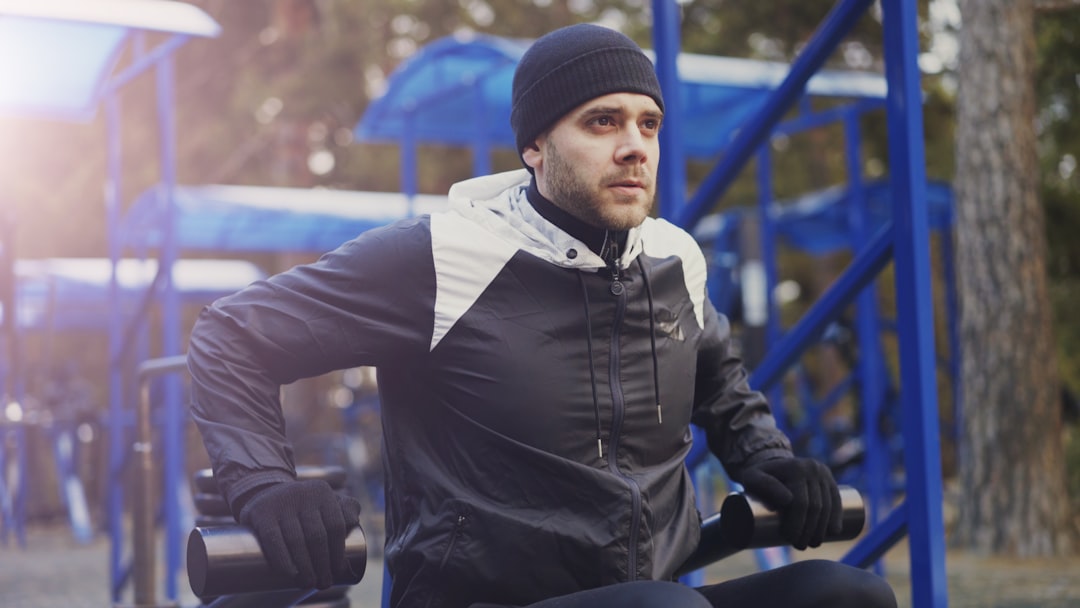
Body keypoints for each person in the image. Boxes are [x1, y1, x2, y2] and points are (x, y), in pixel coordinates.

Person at [188, 23, 897, 608]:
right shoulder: (445, 255)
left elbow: (718, 381)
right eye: (602, 121)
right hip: (483, 600)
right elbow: (231, 336)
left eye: (648, 123)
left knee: (848, 595)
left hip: (648, 593)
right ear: (535, 146)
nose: (634, 145)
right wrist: (266, 486)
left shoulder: (674, 258)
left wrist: (769, 459)